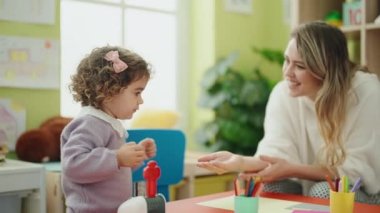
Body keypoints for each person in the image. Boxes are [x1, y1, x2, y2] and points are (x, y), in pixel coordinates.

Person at [197, 21, 380, 204]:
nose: (287, 72)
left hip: (362, 191)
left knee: (324, 192)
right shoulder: (283, 92)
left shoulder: (366, 92)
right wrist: (239, 161)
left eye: (300, 66)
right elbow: (276, 154)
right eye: (287, 61)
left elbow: (356, 173)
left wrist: (291, 169)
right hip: (309, 186)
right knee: (270, 185)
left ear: (326, 70)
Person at [61, 46, 157, 212]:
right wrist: (117, 158)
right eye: (137, 93)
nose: (140, 101)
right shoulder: (90, 123)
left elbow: (110, 170)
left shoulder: (108, 124)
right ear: (108, 91)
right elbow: (73, 165)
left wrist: (135, 155)